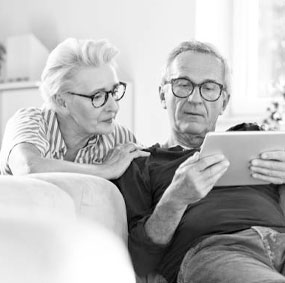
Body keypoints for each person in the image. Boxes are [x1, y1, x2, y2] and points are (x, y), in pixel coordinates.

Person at [113, 40, 285, 283]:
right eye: (183, 85)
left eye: (209, 87)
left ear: (223, 102)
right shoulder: (141, 164)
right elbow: (140, 260)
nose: (195, 98)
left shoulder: (253, 137)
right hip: (218, 250)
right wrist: (176, 198)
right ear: (163, 95)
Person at [0, 38, 149, 178]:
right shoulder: (30, 121)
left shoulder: (119, 137)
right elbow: (28, 167)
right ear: (61, 102)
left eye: (114, 92)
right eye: (97, 96)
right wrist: (106, 170)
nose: (114, 107)